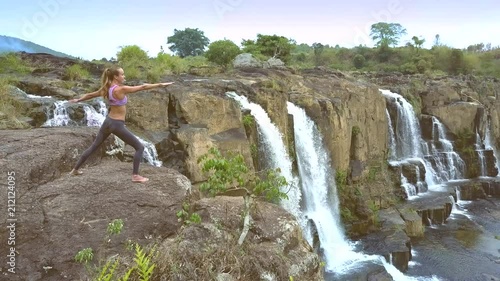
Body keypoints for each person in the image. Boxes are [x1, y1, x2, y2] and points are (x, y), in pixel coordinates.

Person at [68, 66, 174, 183]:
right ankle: (135, 176)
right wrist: (160, 85)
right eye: (122, 75)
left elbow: (90, 95)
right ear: (115, 77)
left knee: (94, 146)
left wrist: (78, 100)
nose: (124, 76)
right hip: (117, 124)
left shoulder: (107, 88)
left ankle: (75, 169)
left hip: (108, 121)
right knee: (139, 147)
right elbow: (143, 87)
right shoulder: (120, 89)